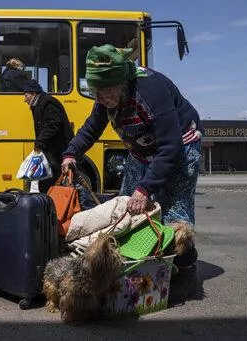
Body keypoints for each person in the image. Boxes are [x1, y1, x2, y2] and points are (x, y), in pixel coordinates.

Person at [61, 44, 203, 303]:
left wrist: (146, 188)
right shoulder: (107, 95)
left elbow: (170, 146)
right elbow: (92, 127)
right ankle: (139, 269)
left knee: (174, 214)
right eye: (96, 93)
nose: (101, 98)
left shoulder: (150, 89)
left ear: (120, 82)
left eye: (104, 92)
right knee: (128, 212)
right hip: (141, 152)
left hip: (180, 147)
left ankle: (185, 274)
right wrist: (72, 154)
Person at [24, 79, 74, 193]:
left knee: (53, 178)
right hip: (50, 148)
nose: (24, 99)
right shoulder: (38, 104)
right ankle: (47, 202)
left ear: (34, 94)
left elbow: (53, 125)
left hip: (57, 149)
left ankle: (51, 204)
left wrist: (39, 142)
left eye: (26, 95)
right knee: (47, 178)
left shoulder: (47, 103)